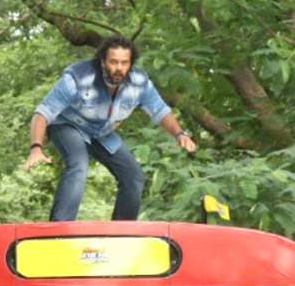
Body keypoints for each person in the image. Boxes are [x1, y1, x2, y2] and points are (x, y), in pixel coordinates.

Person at [23, 35, 197, 221]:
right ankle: (59, 228)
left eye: (124, 63)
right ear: (102, 62)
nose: (119, 68)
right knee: (78, 164)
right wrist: (36, 147)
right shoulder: (78, 77)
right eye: (114, 62)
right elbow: (43, 112)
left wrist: (179, 133)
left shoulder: (139, 82)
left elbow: (160, 110)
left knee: (133, 175)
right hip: (68, 125)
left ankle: (122, 231)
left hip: (100, 133)